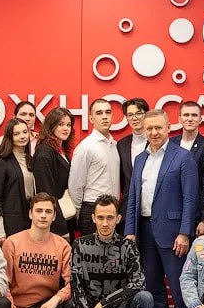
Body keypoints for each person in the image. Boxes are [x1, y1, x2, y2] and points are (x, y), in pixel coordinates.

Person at [125, 109, 199, 308]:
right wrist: (130, 231)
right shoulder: (140, 159)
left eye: (158, 127)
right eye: (149, 128)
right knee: (153, 285)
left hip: (173, 233)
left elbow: (190, 199)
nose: (154, 132)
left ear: (169, 127)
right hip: (145, 231)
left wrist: (185, 232)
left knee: (178, 287)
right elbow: (133, 197)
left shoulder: (183, 157)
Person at [71, 195, 153, 308]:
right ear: (93, 218)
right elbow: (76, 288)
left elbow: (138, 282)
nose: (105, 223)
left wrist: (103, 304)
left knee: (145, 298)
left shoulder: (128, 246)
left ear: (118, 218)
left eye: (110, 218)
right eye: (100, 218)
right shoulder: (80, 245)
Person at [1, 193, 77, 308]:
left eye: (48, 212)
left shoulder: (63, 246)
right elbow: (3, 286)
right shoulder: (12, 243)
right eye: (39, 211)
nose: (43, 215)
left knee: (74, 301)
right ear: (30, 214)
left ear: (54, 216)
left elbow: (73, 283)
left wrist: (55, 299)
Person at [69, 98, 120, 238]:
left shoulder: (114, 145)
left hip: (113, 210)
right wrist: (78, 214)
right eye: (99, 113)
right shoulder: (86, 147)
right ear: (91, 118)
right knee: (93, 252)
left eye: (108, 112)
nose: (104, 116)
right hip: (92, 209)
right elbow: (75, 185)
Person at [0, 119, 35, 241]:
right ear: (9, 137)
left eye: (25, 132)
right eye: (16, 134)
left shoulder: (31, 159)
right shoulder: (0, 162)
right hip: (10, 224)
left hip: (30, 220)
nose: (22, 136)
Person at [171, 100, 204, 235]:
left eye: (194, 115)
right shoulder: (170, 144)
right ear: (179, 119)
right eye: (186, 115)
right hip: (171, 213)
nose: (190, 119)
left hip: (196, 215)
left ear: (200, 120)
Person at [33, 107, 76, 238]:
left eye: (68, 125)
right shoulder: (44, 152)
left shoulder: (61, 150)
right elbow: (46, 192)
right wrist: (60, 227)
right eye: (61, 124)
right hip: (54, 223)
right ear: (51, 126)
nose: (66, 128)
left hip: (66, 215)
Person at [0, 99, 33, 183]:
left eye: (31, 115)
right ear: (14, 116)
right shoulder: (2, 144)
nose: (27, 118)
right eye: (23, 114)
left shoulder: (38, 142)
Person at [116, 97, 150, 204]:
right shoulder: (121, 145)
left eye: (138, 113)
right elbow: (122, 181)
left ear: (146, 114)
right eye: (130, 115)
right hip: (127, 204)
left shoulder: (155, 142)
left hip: (150, 204)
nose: (134, 118)